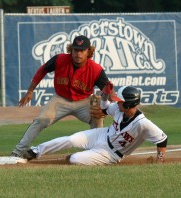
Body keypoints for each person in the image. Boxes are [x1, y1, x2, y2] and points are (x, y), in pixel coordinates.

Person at [11, 35, 110, 159]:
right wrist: (30, 90)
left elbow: (107, 90)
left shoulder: (96, 69)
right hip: (60, 99)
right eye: (75, 50)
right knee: (41, 119)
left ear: (88, 52)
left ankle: (96, 152)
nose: (78, 54)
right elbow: (42, 70)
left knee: (97, 117)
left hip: (83, 101)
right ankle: (18, 151)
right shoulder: (59, 59)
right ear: (71, 50)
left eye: (82, 50)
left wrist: (105, 106)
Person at [25, 85, 168, 165]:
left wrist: (159, 160)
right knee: (71, 139)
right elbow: (105, 108)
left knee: (73, 159)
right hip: (101, 135)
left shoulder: (143, 124)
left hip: (111, 154)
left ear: (128, 103)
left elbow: (162, 139)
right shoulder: (119, 110)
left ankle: (84, 156)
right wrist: (105, 94)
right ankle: (36, 151)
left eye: (120, 100)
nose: (117, 102)